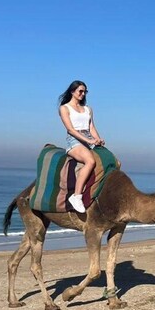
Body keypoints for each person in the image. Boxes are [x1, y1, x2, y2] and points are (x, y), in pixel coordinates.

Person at [58, 80, 105, 213]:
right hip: (74, 141)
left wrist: (97, 139)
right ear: (72, 91)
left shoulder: (88, 109)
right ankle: (76, 196)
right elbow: (71, 130)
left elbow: (91, 127)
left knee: (110, 160)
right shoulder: (64, 108)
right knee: (90, 161)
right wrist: (88, 141)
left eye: (85, 92)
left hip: (88, 139)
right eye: (80, 91)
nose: (83, 94)